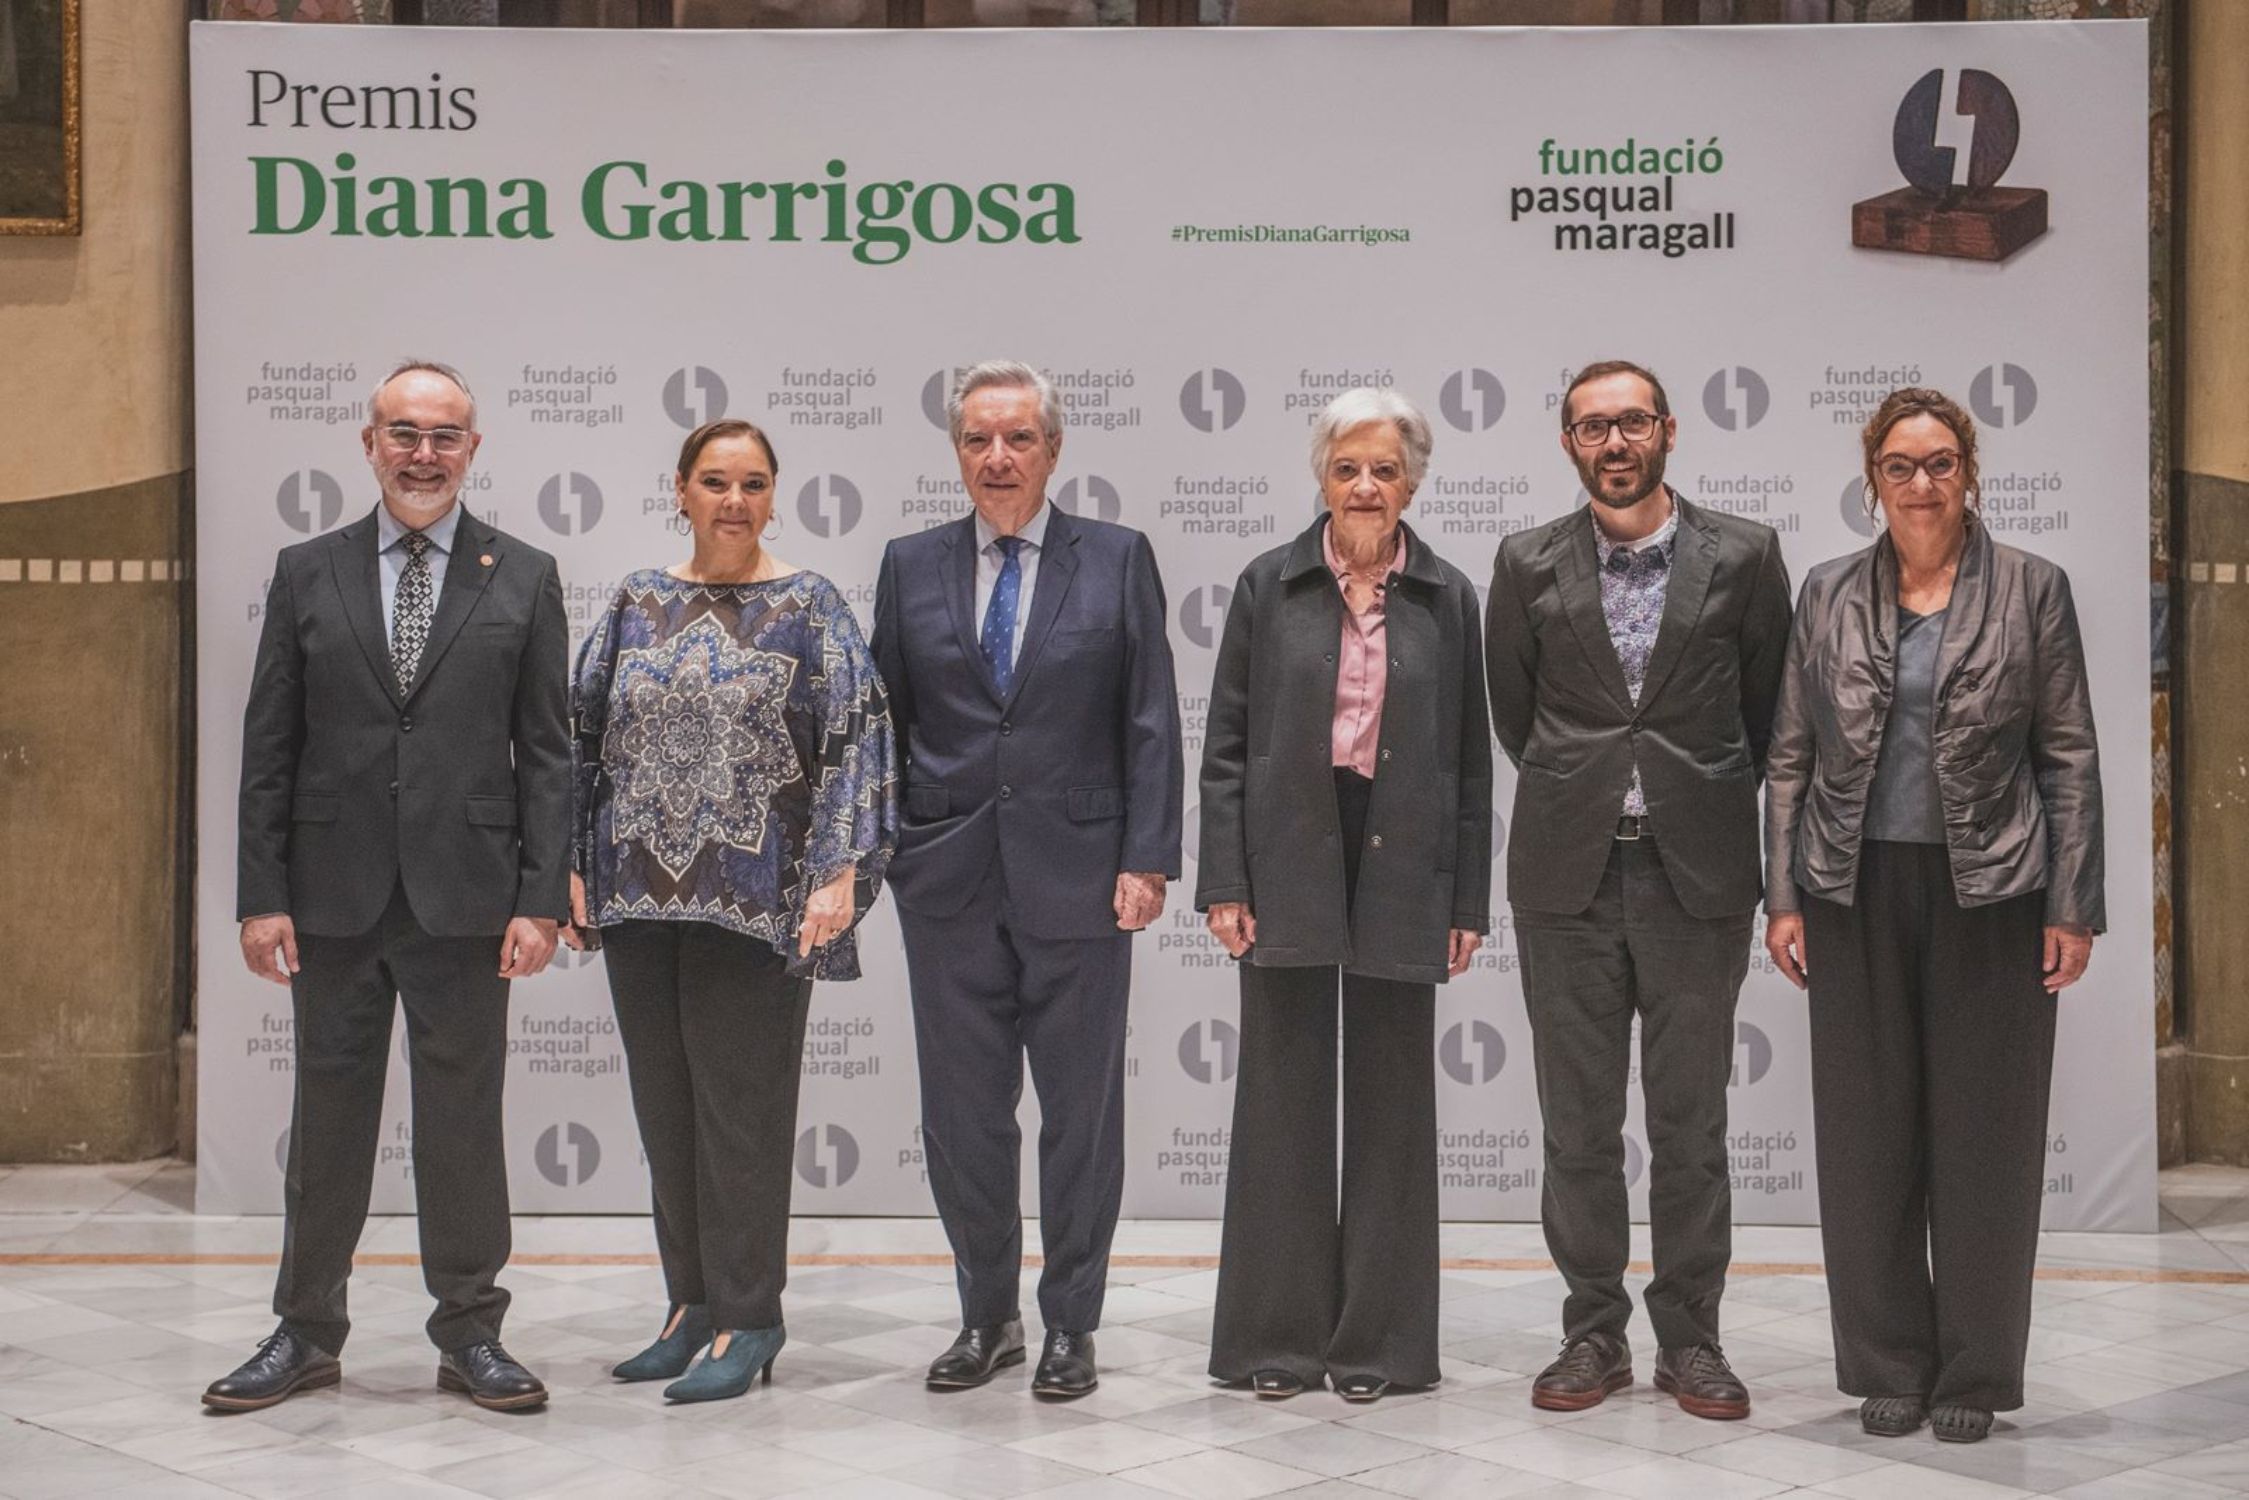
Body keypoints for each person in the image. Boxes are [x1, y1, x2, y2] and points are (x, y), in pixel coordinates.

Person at [207, 360, 567, 1414]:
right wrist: (259, 893)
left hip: (468, 897)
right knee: (328, 1124)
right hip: (330, 898)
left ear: (473, 449)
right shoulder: (305, 570)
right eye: (402, 432)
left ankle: (470, 1333)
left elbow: (546, 754)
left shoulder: (524, 573)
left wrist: (540, 897)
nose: (422, 453)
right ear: (368, 444)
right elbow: (269, 744)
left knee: (463, 1119)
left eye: (443, 435)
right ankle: (305, 1329)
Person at [1764, 387, 2101, 1445]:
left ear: (1968, 473)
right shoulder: (1823, 593)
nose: (1921, 483)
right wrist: (1780, 894)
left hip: (1992, 893)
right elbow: (1787, 756)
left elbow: (2067, 754)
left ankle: (1974, 1367)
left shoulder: (2032, 590)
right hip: (1848, 889)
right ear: (1872, 480)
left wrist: (2071, 903)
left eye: (1940, 462)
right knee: (1865, 1138)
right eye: (1900, 465)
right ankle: (1884, 1362)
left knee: (1984, 1136)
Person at [566, 418, 898, 1403]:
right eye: (714, 481)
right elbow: (576, 741)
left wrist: (839, 871)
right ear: (678, 489)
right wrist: (566, 867)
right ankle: (692, 1308)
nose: (733, 501)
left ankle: (751, 1318)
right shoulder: (634, 601)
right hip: (636, 901)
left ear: (773, 495)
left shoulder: (808, 607)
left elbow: (858, 739)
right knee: (667, 1118)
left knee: (741, 1122)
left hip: (755, 908)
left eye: (753, 483)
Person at [1486, 359, 1792, 1420]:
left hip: (1693, 875)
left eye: (1629, 424)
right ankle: (1589, 1336)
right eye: (1589, 428)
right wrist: (1592, 788)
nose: (1612, 445)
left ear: (1666, 430)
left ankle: (1692, 1342)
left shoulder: (1745, 557)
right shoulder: (1524, 561)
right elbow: (1514, 719)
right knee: (1574, 1127)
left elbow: (1766, 715)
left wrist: (1683, 794)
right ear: (1565, 442)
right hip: (1565, 878)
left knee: (1689, 1124)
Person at [871, 359, 1183, 1399]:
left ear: (1053, 450)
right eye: (975, 440)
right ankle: (985, 1316)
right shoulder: (908, 564)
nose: (996, 458)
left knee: (1078, 1116)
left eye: (1016, 439)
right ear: (954, 451)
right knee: (961, 1118)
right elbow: (889, 727)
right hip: (947, 880)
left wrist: (1147, 857)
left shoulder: (1116, 557)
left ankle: (1069, 1327)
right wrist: (890, 854)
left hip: (1084, 878)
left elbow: (1149, 717)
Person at [1198, 388, 1492, 1403]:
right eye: (1345, 469)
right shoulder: (1263, 587)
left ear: (1410, 481)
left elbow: (1467, 765)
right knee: (1280, 1097)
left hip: (1406, 856)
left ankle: (1376, 1344)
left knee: (1391, 1104)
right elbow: (1225, 748)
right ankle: (1275, 1341)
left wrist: (1466, 902)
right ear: (1317, 478)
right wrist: (1223, 881)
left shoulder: (1449, 596)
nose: (1364, 487)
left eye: (1382, 469)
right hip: (1285, 853)